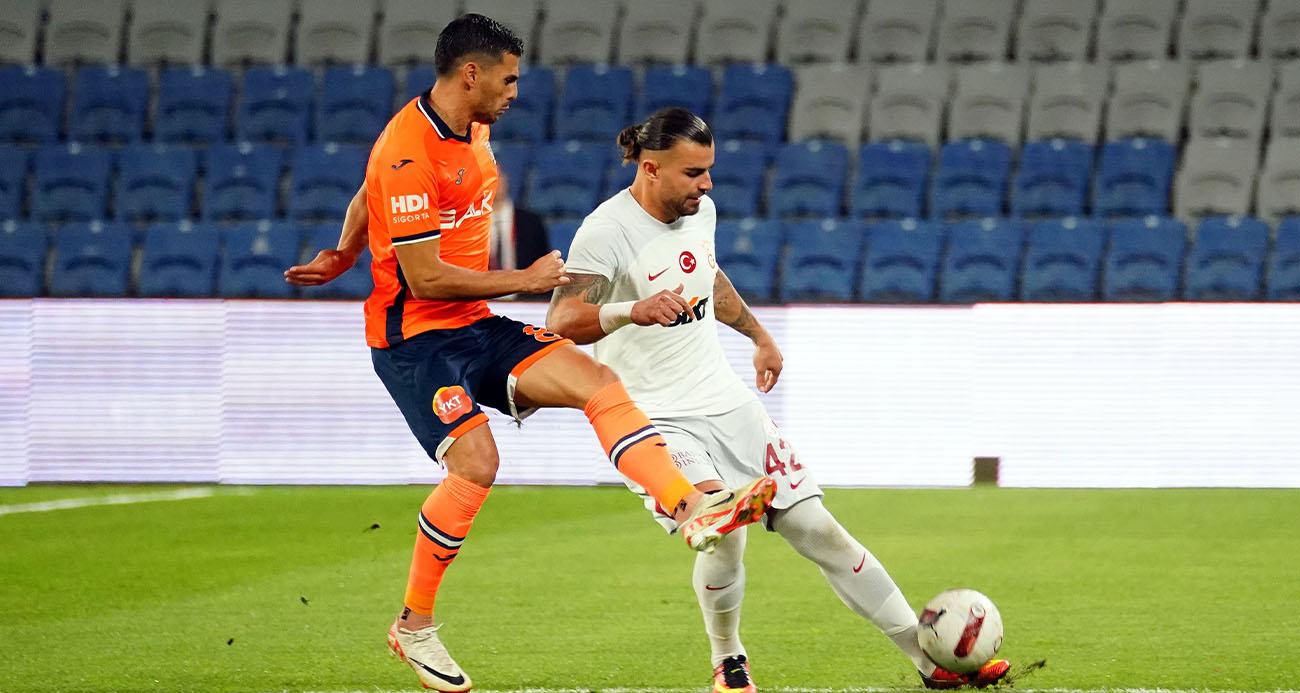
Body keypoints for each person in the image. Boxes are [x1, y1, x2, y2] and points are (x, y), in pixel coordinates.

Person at [283, 17, 776, 692]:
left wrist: (343, 251)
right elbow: (424, 278)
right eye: (509, 77)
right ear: (472, 74)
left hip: (474, 324)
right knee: (477, 463)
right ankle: (414, 624)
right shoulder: (408, 150)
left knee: (595, 378)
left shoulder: (470, 129)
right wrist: (528, 279)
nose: (516, 91)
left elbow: (371, 192)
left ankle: (690, 506)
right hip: (414, 341)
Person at [545, 107, 1011, 693]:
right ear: (650, 167)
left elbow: (708, 276)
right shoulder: (606, 231)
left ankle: (930, 663)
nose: (706, 184)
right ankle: (728, 660)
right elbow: (562, 319)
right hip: (655, 418)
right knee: (722, 525)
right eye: (693, 173)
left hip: (726, 403)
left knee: (820, 530)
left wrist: (759, 335)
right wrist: (630, 309)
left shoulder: (700, 211)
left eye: (709, 170)